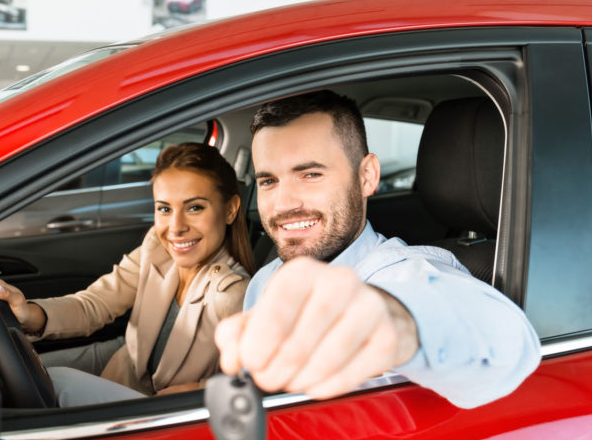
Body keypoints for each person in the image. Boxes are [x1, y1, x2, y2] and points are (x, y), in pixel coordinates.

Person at [215, 90, 541, 409]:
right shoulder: (264, 279)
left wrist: (394, 321)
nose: (283, 203)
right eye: (269, 181)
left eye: (310, 174)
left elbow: (509, 345)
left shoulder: (404, 274)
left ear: (367, 176)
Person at [0, 142, 256, 406]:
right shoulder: (156, 248)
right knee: (10, 375)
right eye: (164, 209)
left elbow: (254, 383)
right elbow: (93, 305)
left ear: (231, 209)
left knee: (56, 383)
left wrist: (202, 389)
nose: (175, 228)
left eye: (194, 208)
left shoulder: (234, 294)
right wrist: (30, 315)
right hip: (119, 373)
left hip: (158, 421)